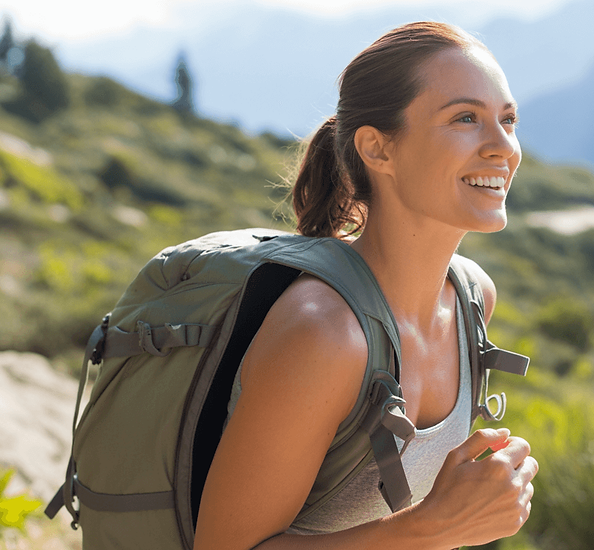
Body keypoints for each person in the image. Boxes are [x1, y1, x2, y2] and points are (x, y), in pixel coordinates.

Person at [193, 21, 538, 549]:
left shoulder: (472, 301)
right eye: (466, 118)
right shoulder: (325, 333)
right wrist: (432, 527)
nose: (503, 147)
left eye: (508, 120)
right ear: (378, 149)